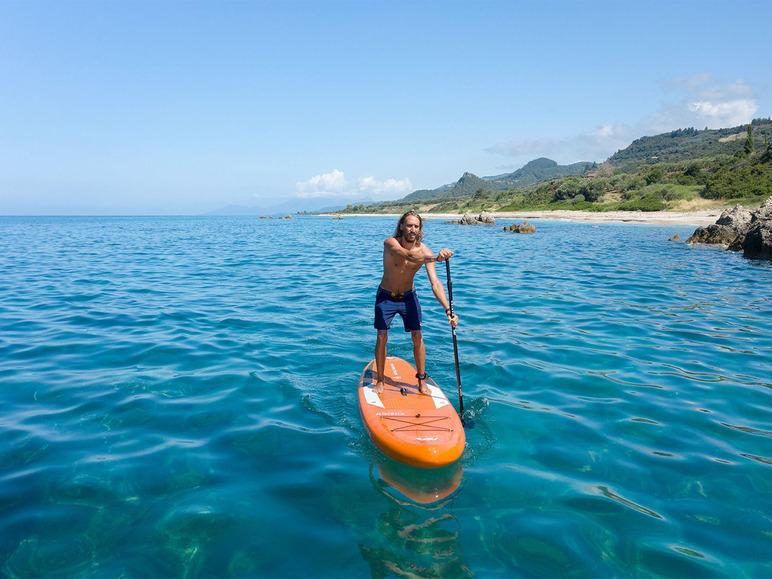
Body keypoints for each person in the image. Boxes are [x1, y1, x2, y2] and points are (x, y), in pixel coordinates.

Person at [373, 211, 458, 395]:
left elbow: (435, 283)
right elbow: (408, 256)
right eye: (409, 225)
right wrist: (437, 258)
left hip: (408, 296)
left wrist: (448, 310)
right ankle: (380, 380)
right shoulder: (390, 243)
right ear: (401, 226)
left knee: (417, 336)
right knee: (381, 336)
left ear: (420, 229)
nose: (412, 229)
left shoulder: (425, 251)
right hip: (386, 296)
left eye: (416, 226)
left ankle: (421, 381)